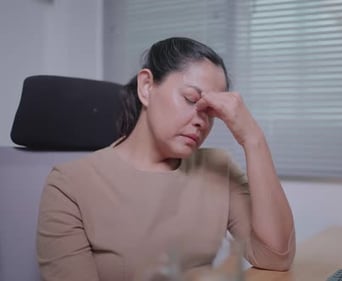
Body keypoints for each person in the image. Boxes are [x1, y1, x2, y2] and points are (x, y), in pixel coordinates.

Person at [36, 37, 296, 281]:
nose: (200, 121)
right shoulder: (69, 184)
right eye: (190, 99)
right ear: (147, 87)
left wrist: (253, 139)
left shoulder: (218, 167)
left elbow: (275, 257)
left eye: (212, 112)